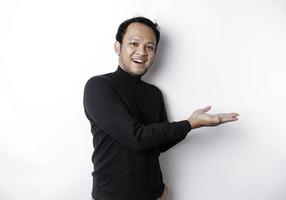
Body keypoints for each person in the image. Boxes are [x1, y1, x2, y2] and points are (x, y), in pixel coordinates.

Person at [83, 16, 239, 200]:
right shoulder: (99, 86)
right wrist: (189, 123)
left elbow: (159, 144)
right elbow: (136, 138)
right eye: (134, 43)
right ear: (118, 47)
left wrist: (195, 123)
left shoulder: (154, 93)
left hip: (155, 194)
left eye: (150, 47)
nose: (142, 52)